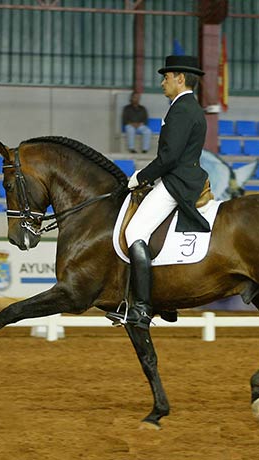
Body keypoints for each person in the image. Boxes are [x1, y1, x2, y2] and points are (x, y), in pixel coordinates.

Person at [106, 55, 211, 330]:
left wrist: (140, 177)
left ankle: (142, 307)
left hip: (177, 181)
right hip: (181, 177)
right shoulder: (187, 107)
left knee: (135, 232)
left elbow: (169, 157)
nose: (163, 82)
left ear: (180, 78)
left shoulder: (182, 109)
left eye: (166, 77)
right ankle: (166, 300)